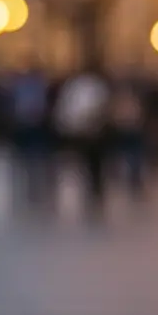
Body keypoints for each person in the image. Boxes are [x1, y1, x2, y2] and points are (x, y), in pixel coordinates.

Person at [53, 66, 112, 220]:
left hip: (95, 131)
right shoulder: (78, 87)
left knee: (94, 163)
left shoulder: (90, 87)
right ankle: (92, 188)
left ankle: (95, 189)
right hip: (84, 131)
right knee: (87, 162)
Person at [8, 66, 51, 208]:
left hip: (35, 125)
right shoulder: (22, 87)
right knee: (25, 157)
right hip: (24, 125)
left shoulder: (40, 87)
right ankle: (28, 186)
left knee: (37, 157)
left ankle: (37, 187)